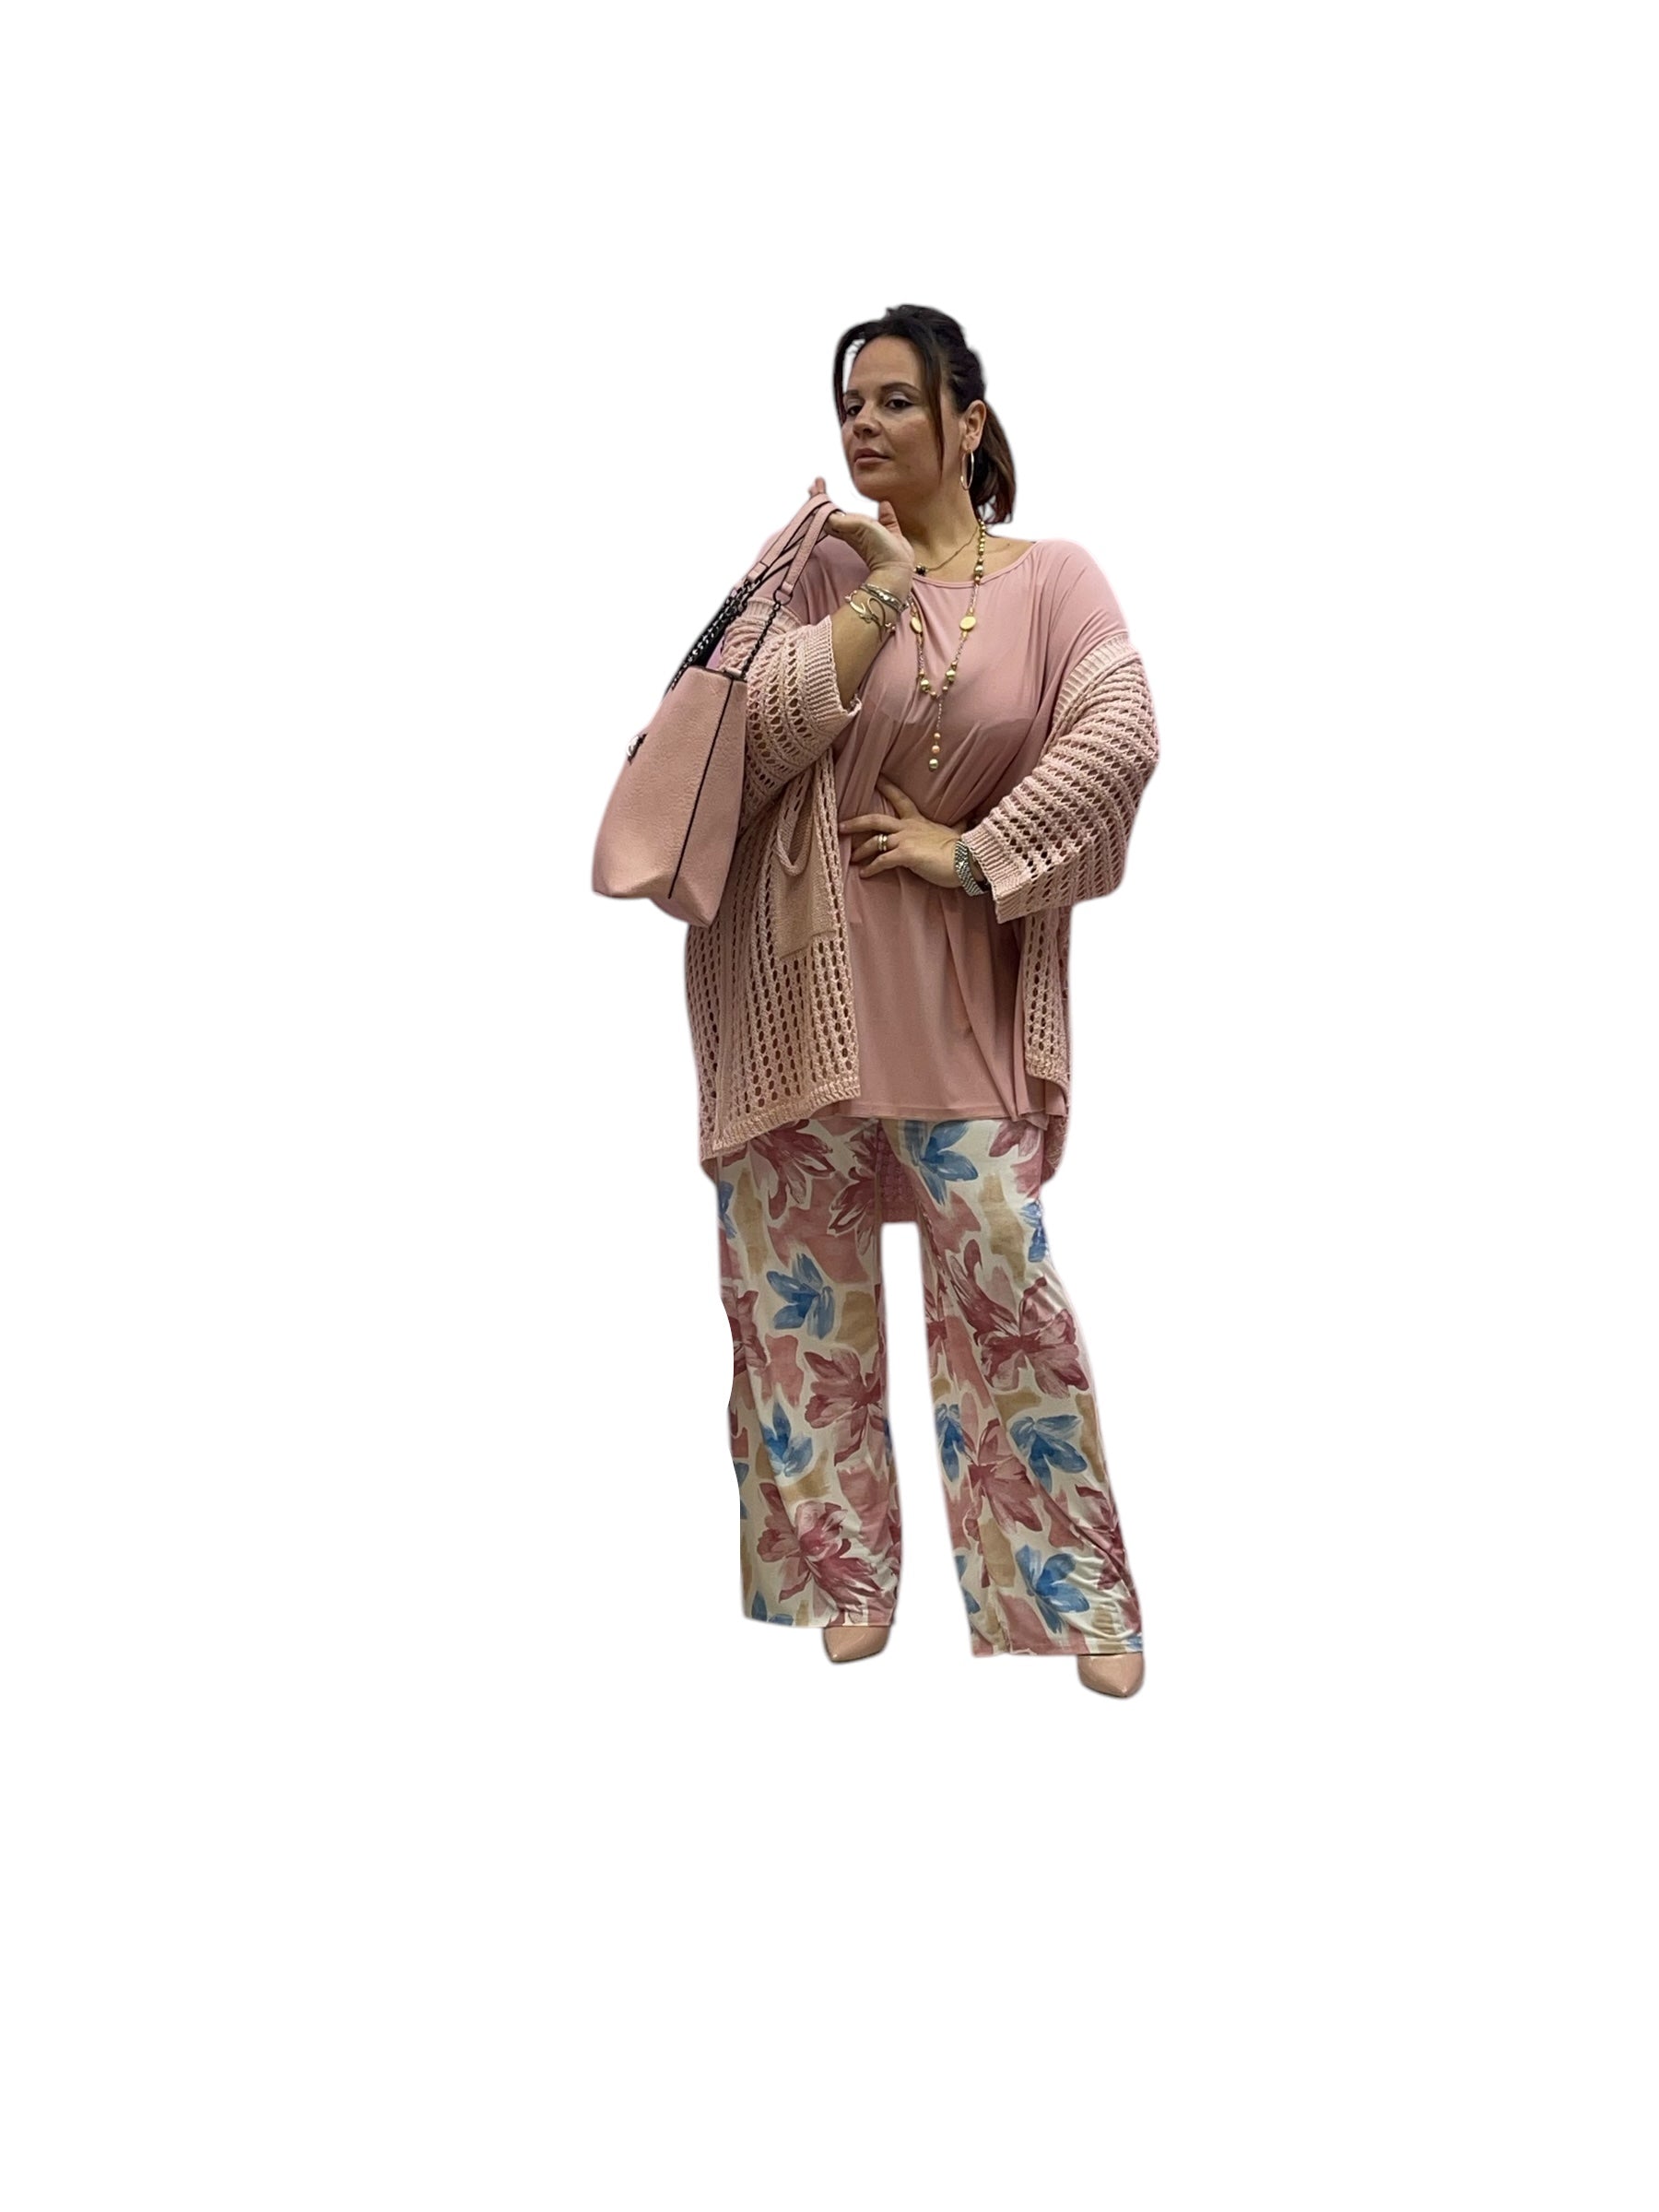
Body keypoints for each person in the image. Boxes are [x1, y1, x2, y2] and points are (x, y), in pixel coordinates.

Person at [688, 304, 1160, 1698]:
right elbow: (740, 738)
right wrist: (878, 590)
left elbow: (1123, 734)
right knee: (796, 1300)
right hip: (794, 996)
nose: (867, 425)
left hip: (959, 1002)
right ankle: (842, 1576)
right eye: (851, 404)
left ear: (968, 421)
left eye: (897, 400)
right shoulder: (817, 566)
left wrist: (972, 853)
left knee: (1007, 1290)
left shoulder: (1054, 581)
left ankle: (1074, 1594)